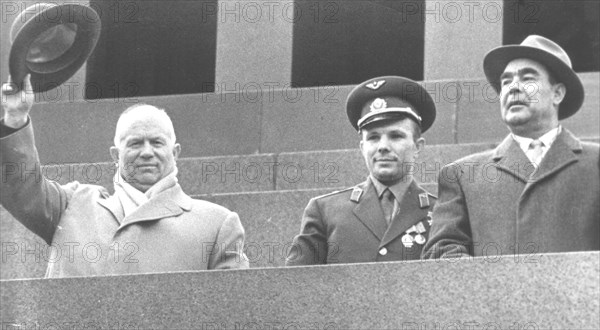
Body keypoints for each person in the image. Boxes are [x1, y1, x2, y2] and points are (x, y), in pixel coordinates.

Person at [0, 75, 249, 277]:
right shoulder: (71, 204)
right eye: (135, 143)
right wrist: (16, 117)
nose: (147, 152)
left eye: (157, 142)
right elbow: (21, 189)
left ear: (176, 152)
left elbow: (234, 311)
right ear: (114, 155)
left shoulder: (216, 224)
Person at [422, 35, 599, 259]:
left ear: (557, 93)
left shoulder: (595, 164)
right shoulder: (461, 175)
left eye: (527, 78)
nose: (513, 88)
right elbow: (442, 252)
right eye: (506, 81)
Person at [286, 76, 437, 265]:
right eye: (373, 138)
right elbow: (296, 282)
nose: (383, 146)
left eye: (396, 136)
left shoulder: (439, 212)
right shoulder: (325, 211)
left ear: (418, 147)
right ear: (362, 147)